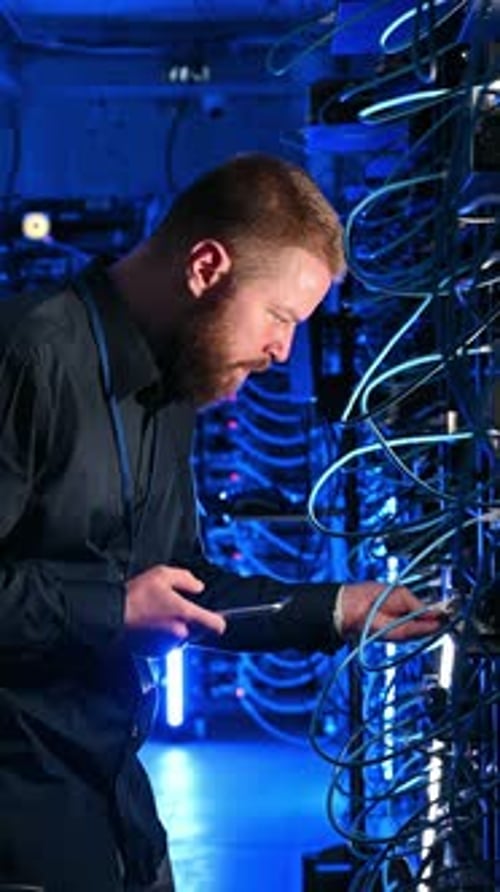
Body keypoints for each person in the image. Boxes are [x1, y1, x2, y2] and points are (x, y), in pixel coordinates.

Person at [0, 152, 442, 892]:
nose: (283, 352)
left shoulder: (169, 387)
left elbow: (181, 588)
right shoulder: (29, 358)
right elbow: (128, 602)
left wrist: (337, 609)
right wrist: (110, 609)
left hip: (108, 790)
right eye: (279, 316)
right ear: (206, 267)